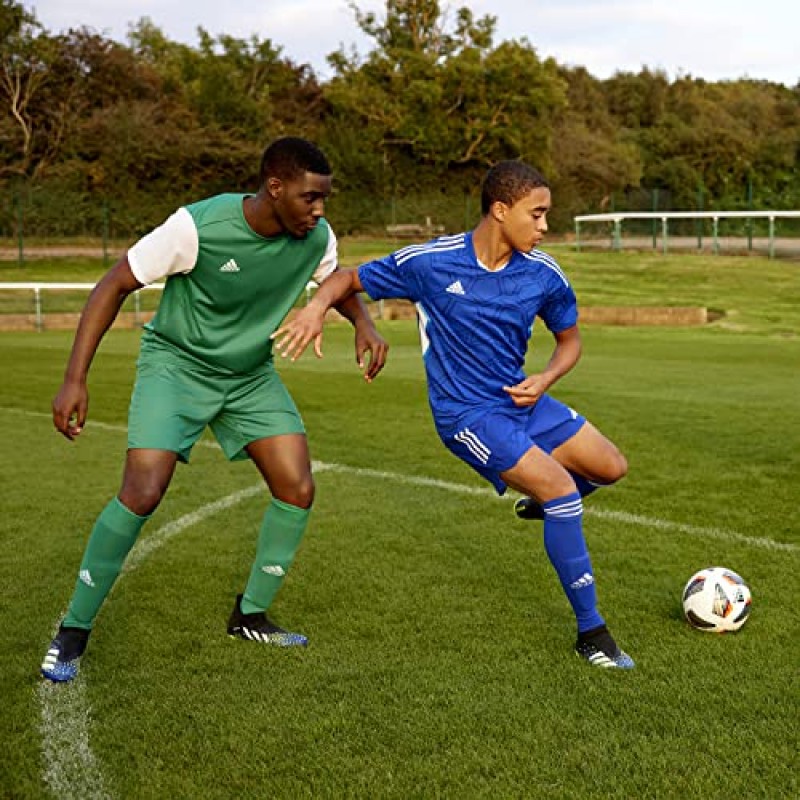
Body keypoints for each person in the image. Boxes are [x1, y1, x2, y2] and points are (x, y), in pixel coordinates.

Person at [41, 136, 388, 682]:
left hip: (249, 376)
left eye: (324, 199)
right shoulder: (195, 227)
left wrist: (364, 323)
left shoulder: (316, 236)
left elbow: (337, 282)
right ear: (274, 188)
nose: (319, 210)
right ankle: (74, 630)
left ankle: (249, 614)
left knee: (297, 486)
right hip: (176, 367)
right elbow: (114, 284)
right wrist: (73, 379)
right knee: (143, 490)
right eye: (309, 198)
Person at [272, 160, 634, 669]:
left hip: (521, 401)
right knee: (561, 489)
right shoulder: (432, 262)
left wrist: (547, 378)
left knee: (611, 467)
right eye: (538, 214)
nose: (545, 226)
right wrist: (316, 310)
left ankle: (544, 504)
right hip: (466, 414)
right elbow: (348, 278)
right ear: (500, 210)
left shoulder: (544, 273)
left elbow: (569, 341)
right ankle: (591, 634)